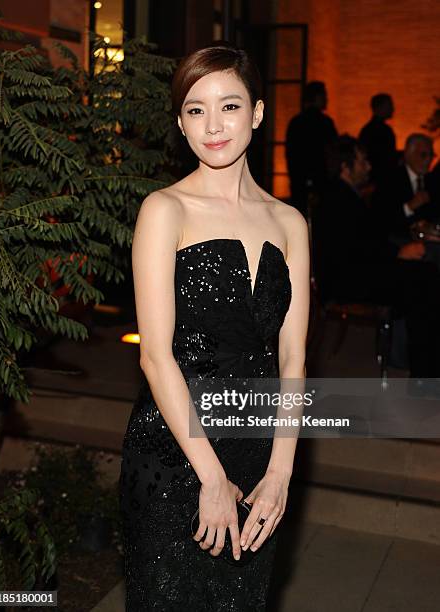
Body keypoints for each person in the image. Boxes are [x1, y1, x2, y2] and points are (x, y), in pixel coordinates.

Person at [119, 43, 310, 611]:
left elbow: (294, 359)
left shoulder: (291, 223)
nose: (213, 125)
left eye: (229, 106)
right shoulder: (165, 210)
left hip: (257, 457)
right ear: (180, 123)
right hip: (176, 455)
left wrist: (279, 473)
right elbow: (156, 356)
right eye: (195, 110)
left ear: (256, 112)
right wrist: (210, 477)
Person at [314, 135, 440, 387]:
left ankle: (420, 370)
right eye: (362, 161)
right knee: (424, 281)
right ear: (346, 167)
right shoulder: (338, 199)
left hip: (358, 271)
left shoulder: (346, 195)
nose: (368, 166)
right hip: (347, 280)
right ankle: (423, 376)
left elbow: (369, 239)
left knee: (424, 277)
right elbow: (355, 249)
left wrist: (400, 250)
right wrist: (398, 253)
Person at [285, 81, 338, 218]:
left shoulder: (296, 122)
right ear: (317, 97)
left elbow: (290, 155)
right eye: (324, 95)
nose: (327, 99)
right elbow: (331, 153)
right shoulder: (325, 123)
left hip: (299, 182)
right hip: (322, 182)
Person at [374, 133, 439, 237]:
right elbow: (381, 219)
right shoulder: (389, 180)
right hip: (398, 241)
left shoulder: (433, 181)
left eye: (431, 155)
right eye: (423, 155)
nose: (429, 160)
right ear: (408, 154)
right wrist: (409, 207)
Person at [358, 93, 398, 188]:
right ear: (380, 107)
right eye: (389, 105)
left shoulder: (367, 130)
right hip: (381, 180)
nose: (393, 109)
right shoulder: (382, 130)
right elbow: (384, 157)